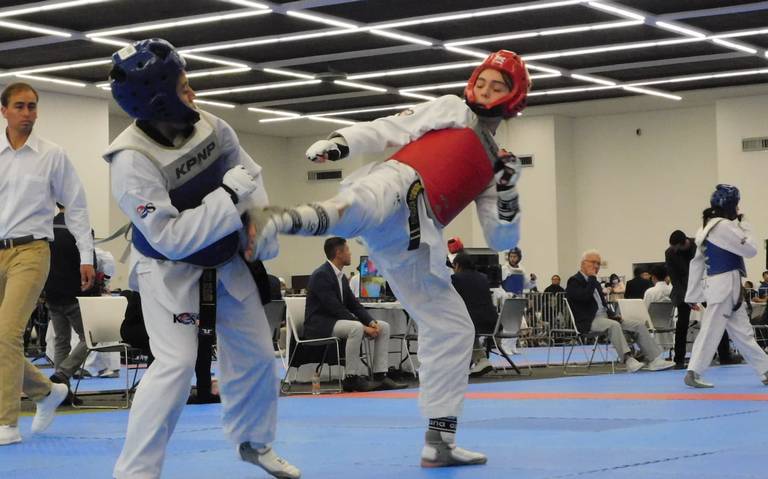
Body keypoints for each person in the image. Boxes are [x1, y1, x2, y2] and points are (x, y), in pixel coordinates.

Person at [248, 49, 530, 467]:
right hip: (402, 182)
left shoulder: (499, 165)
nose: (486, 90)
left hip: (418, 238)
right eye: (483, 81)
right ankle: (283, 220)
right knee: (363, 205)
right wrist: (342, 142)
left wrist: (507, 196)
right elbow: (394, 127)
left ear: (514, 96)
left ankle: (439, 440)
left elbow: (501, 236)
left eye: (498, 86)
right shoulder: (452, 109)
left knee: (453, 327)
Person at [105, 39, 299, 478]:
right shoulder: (130, 161)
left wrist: (255, 224)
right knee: (174, 366)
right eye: (183, 85)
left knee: (257, 357)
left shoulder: (213, 125)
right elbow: (173, 238)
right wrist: (228, 196)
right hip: (166, 268)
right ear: (159, 99)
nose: (192, 92)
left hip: (227, 257)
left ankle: (255, 443)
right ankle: (135, 472)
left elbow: (252, 175)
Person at [0, 82, 95, 446]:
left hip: (32, 251)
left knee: (7, 333)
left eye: (33, 107)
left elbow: (77, 205)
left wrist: (86, 256)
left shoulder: (52, 155)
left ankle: (7, 423)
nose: (28, 114)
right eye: (20, 107)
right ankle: (47, 391)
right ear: (4, 111)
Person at [683, 185, 768, 388]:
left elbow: (696, 263)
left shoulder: (706, 227)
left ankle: (765, 369)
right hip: (724, 286)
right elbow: (751, 250)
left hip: (723, 285)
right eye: (736, 205)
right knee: (711, 330)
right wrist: (744, 225)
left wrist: (692, 295)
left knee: (742, 332)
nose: (738, 209)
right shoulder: (723, 226)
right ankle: (693, 371)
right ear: (731, 205)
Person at [305, 237, 406, 392]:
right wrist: (364, 327)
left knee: (383, 326)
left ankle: (380, 375)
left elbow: (354, 305)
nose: (350, 253)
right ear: (338, 253)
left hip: (336, 321)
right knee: (356, 328)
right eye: (347, 250)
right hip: (320, 325)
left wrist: (371, 322)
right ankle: (351, 378)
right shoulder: (321, 275)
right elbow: (336, 309)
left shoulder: (340, 277)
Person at [566, 250, 675, 373]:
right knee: (614, 325)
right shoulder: (574, 281)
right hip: (588, 321)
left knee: (638, 325)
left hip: (606, 319)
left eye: (598, 263)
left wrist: (614, 315)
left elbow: (603, 305)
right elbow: (584, 298)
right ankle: (628, 360)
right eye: (593, 262)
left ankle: (654, 360)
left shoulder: (594, 282)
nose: (596, 266)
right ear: (583, 263)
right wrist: (591, 279)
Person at [666, 229, 735, 369]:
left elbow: (708, 268)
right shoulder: (670, 253)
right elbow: (675, 278)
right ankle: (679, 360)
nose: (675, 250)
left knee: (717, 318)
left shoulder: (699, 245)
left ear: (684, 242)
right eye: (673, 247)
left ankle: (725, 356)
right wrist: (688, 297)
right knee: (682, 324)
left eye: (677, 247)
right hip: (684, 290)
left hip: (705, 286)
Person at [451, 253, 497, 378]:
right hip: (492, 321)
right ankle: (481, 360)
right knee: (468, 330)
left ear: (458, 265)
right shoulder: (483, 277)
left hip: (472, 323)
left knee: (454, 328)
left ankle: (459, 364)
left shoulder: (456, 278)